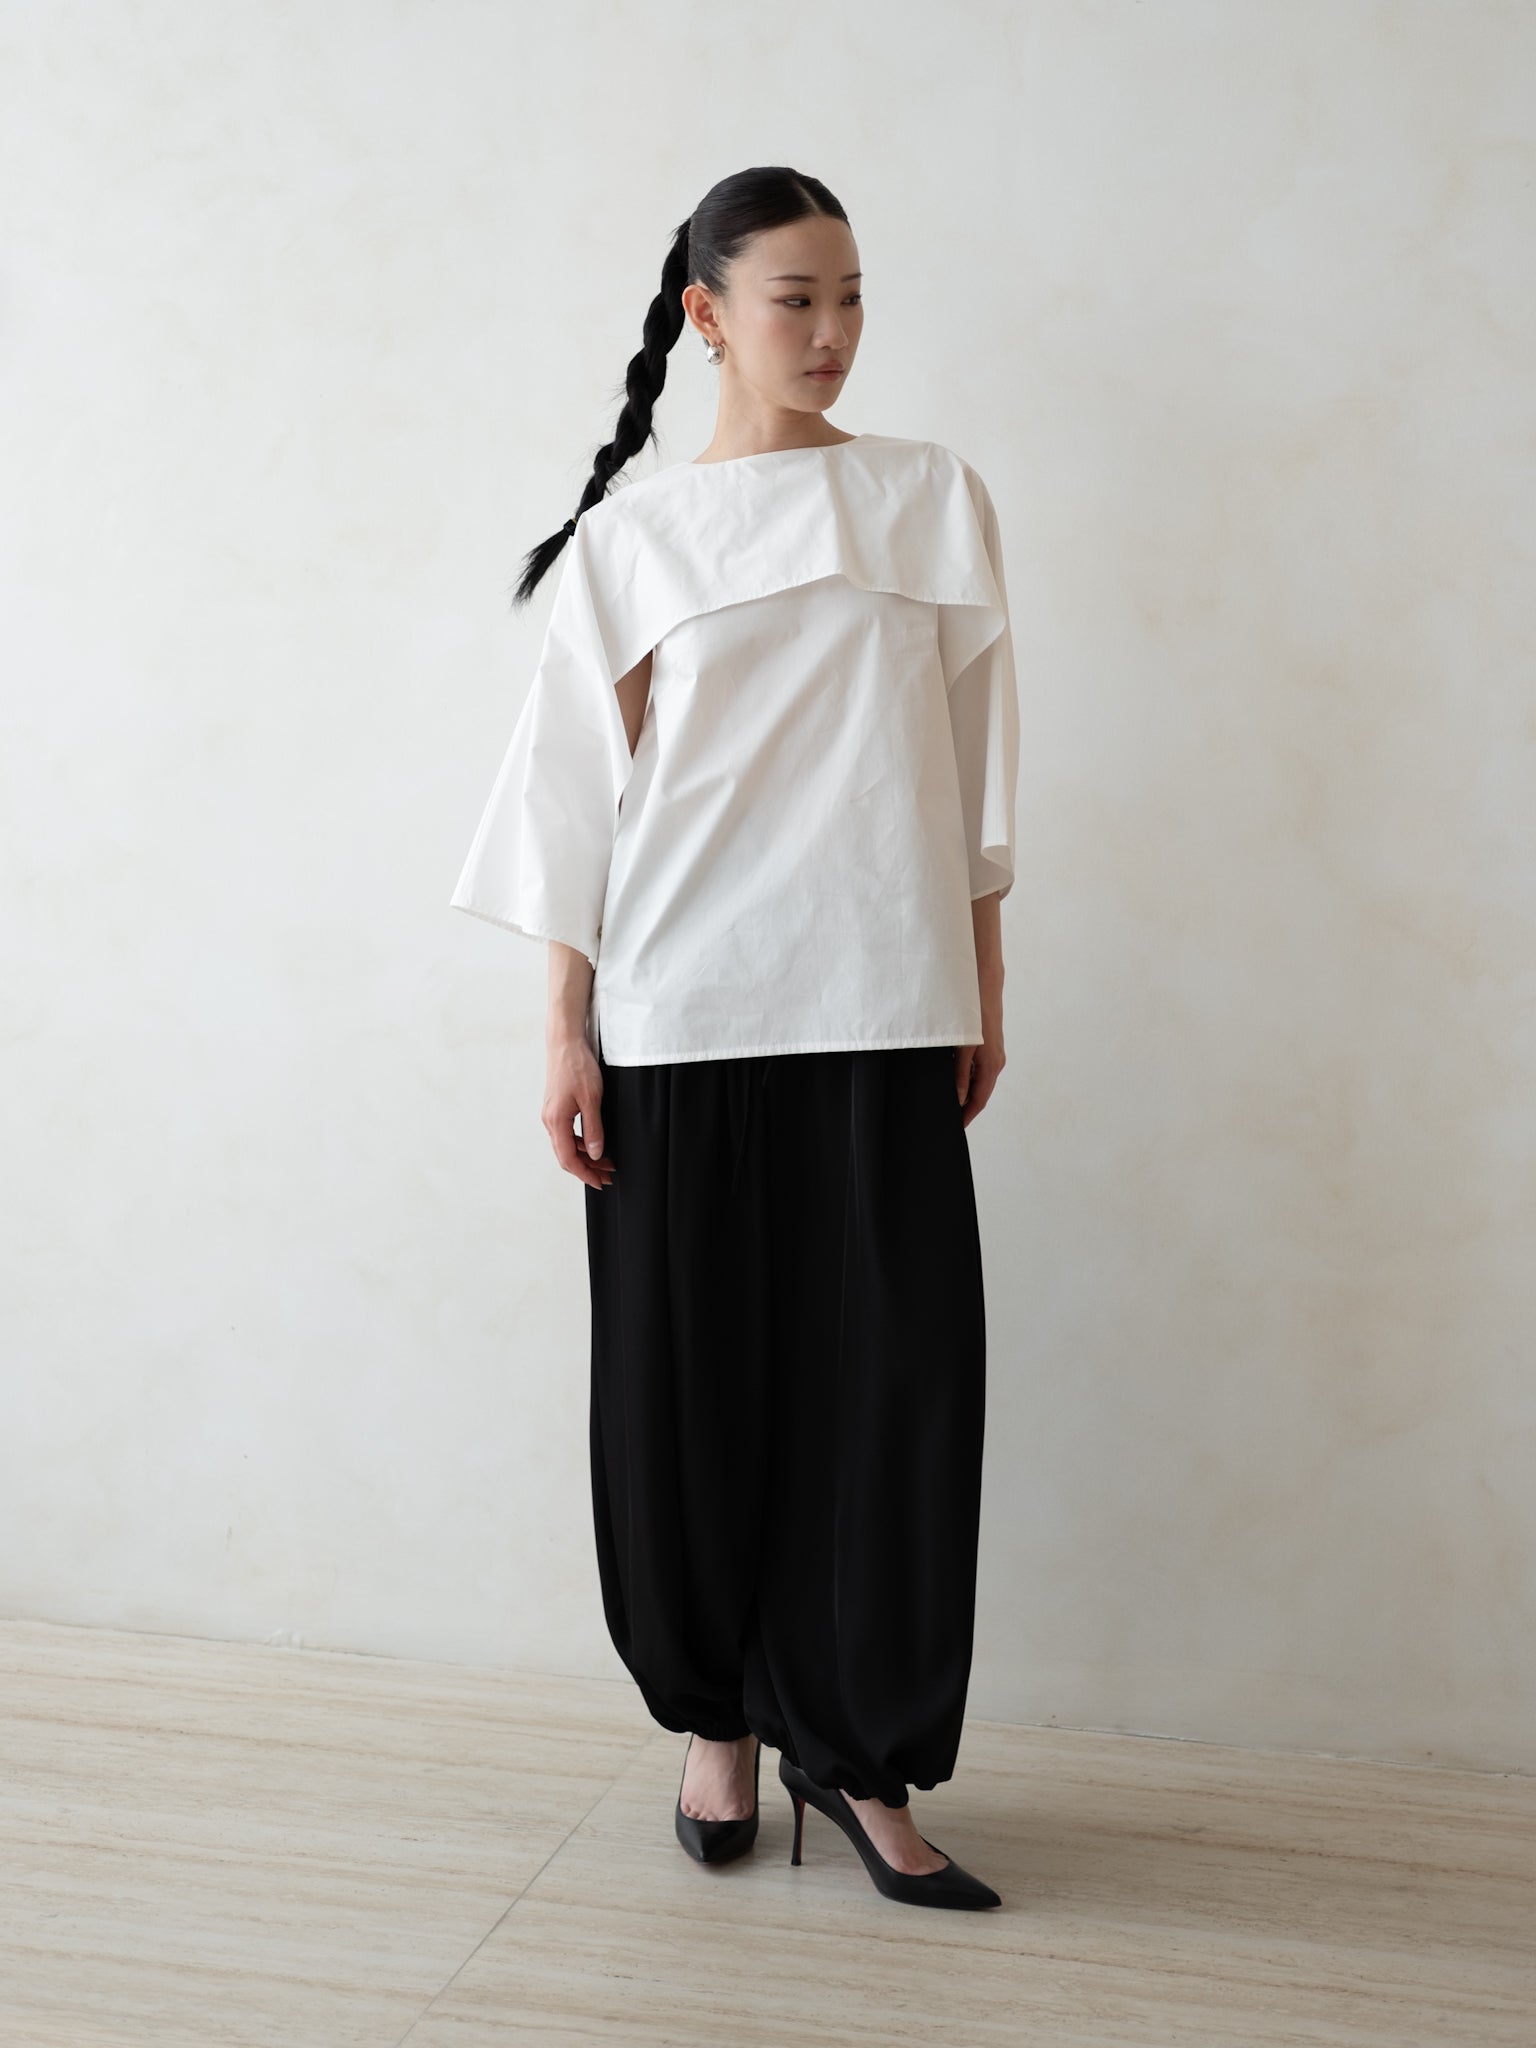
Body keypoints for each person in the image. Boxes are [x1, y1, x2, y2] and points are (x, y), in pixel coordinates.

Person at [449, 165, 1017, 1912]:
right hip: (682, 1015)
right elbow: (575, 808)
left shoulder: (930, 499)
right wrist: (567, 1031)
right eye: (795, 299)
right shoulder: (634, 544)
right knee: (685, 1391)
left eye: (851, 297)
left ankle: (861, 1758)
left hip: (885, 1003)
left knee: (891, 1396)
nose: (832, 333)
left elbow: (974, 767)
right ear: (708, 315)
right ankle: (716, 1725)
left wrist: (984, 984)